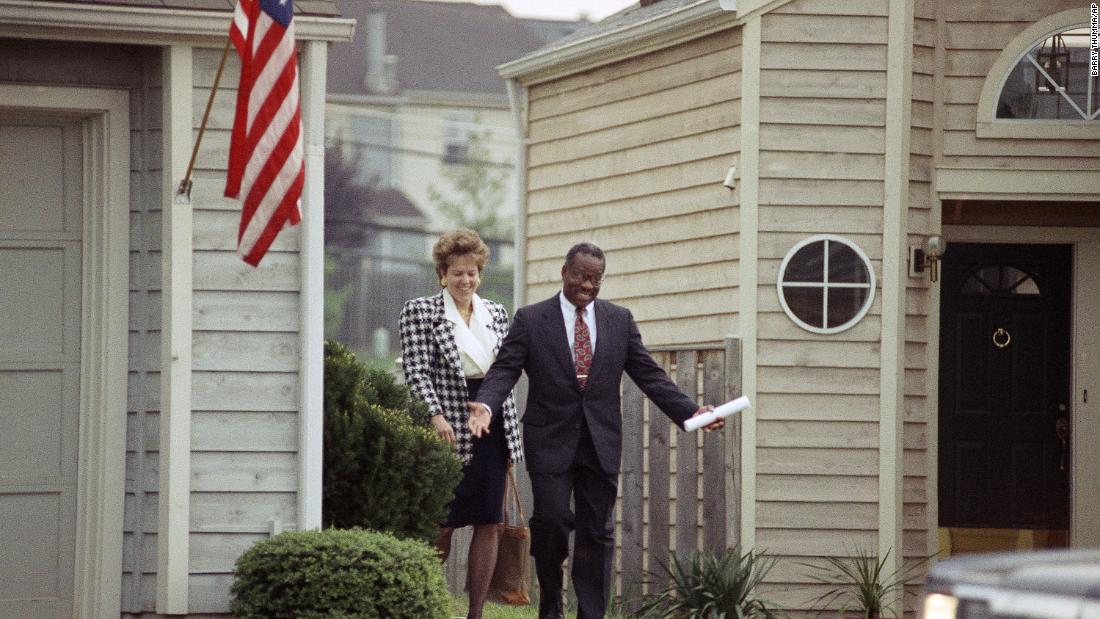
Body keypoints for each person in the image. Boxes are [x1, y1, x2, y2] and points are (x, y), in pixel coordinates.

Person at [467, 242, 722, 619]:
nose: (588, 285)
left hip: (600, 443)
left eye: (596, 279)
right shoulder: (532, 319)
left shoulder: (619, 319)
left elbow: (649, 374)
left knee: (597, 533)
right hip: (549, 441)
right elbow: (505, 369)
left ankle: (591, 613)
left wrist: (691, 412)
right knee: (551, 522)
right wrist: (486, 405)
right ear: (564, 271)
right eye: (581, 276)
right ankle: (551, 601)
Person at [399, 229, 523, 619]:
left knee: (489, 520)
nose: (465, 281)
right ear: (442, 274)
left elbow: (505, 370)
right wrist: (435, 416)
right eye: (457, 274)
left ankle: (475, 613)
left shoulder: (497, 313)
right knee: (443, 520)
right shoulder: (420, 312)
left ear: (480, 274)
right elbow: (417, 372)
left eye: (472, 273)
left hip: (491, 424)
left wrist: (493, 411)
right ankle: (428, 603)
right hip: (447, 427)